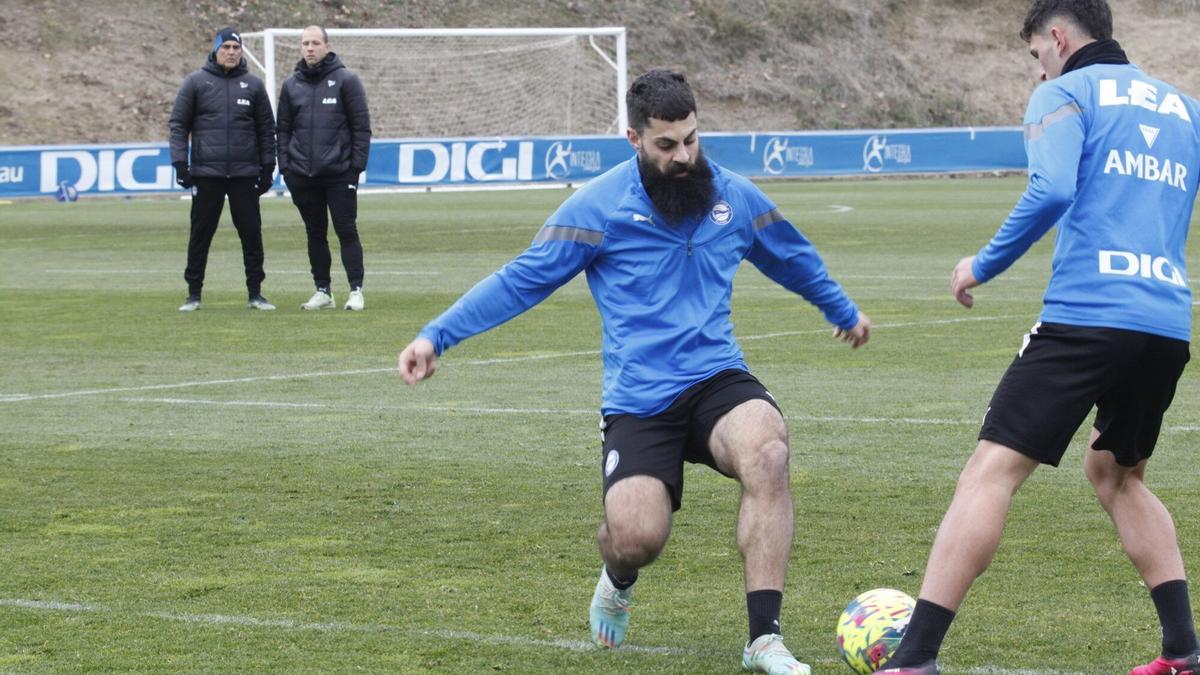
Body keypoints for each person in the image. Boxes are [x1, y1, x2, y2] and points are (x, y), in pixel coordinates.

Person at [398, 69, 871, 674]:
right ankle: (617, 576)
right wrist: (438, 334)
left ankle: (764, 640)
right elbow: (523, 278)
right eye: (666, 145)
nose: (684, 157)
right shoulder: (598, 206)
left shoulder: (733, 197)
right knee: (638, 537)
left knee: (768, 450)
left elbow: (792, 256)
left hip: (717, 380)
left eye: (692, 140)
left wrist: (842, 310)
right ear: (634, 139)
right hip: (640, 400)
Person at [879, 2, 1200, 673]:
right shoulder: (1181, 106)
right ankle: (1183, 650)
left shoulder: (1064, 90)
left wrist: (981, 264)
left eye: (1034, 55)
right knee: (1116, 473)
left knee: (990, 471)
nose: (1037, 68)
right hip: (1166, 321)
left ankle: (913, 658)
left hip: (1089, 313)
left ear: (1057, 37)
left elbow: (1050, 189)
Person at [169, 26, 277, 312]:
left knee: (252, 234)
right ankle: (193, 294)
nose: (231, 52)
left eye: (235, 48)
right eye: (226, 47)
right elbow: (179, 125)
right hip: (207, 174)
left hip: (244, 173)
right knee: (200, 234)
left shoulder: (253, 85)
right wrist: (180, 163)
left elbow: (267, 129)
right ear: (215, 50)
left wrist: (268, 167)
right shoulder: (195, 83)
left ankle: (255, 293)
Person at [277, 25, 372, 312]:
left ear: (327, 46)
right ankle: (323, 290)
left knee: (346, 229)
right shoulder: (291, 85)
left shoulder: (347, 80)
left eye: (315, 42)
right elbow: (282, 129)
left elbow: (361, 128)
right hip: (302, 175)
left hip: (340, 174)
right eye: (305, 43)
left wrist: (355, 169)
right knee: (314, 232)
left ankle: (355, 290)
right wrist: (286, 167)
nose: (309, 48)